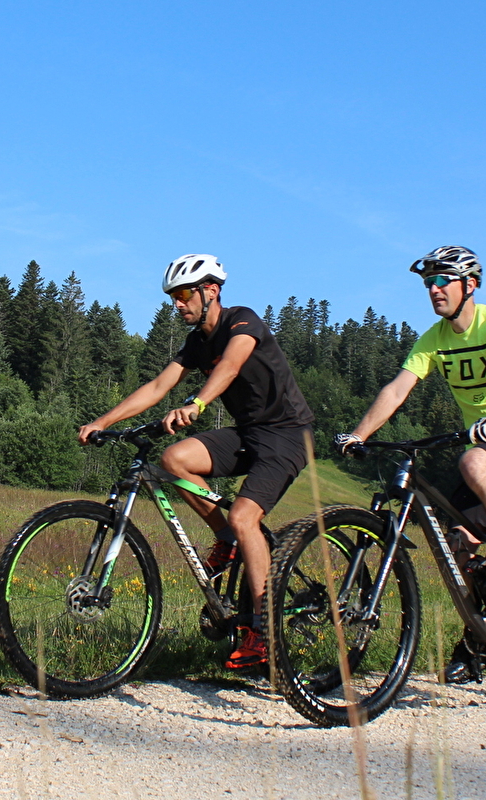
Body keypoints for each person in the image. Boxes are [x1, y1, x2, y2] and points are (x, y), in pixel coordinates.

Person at [79, 253, 315, 669]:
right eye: (173, 296)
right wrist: (103, 420)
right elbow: (157, 386)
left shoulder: (243, 322)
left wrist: (197, 402)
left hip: (286, 434)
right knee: (175, 458)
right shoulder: (196, 342)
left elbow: (231, 364)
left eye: (185, 294)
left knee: (246, 517)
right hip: (247, 433)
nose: (177, 303)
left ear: (212, 291)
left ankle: (263, 632)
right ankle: (227, 539)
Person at [332, 245, 486, 684]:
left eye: (442, 281)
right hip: (484, 445)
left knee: (472, 460)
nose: (433, 290)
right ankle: (482, 641)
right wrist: (361, 434)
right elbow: (399, 389)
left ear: (469, 285)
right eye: (427, 283)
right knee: (458, 543)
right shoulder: (434, 338)